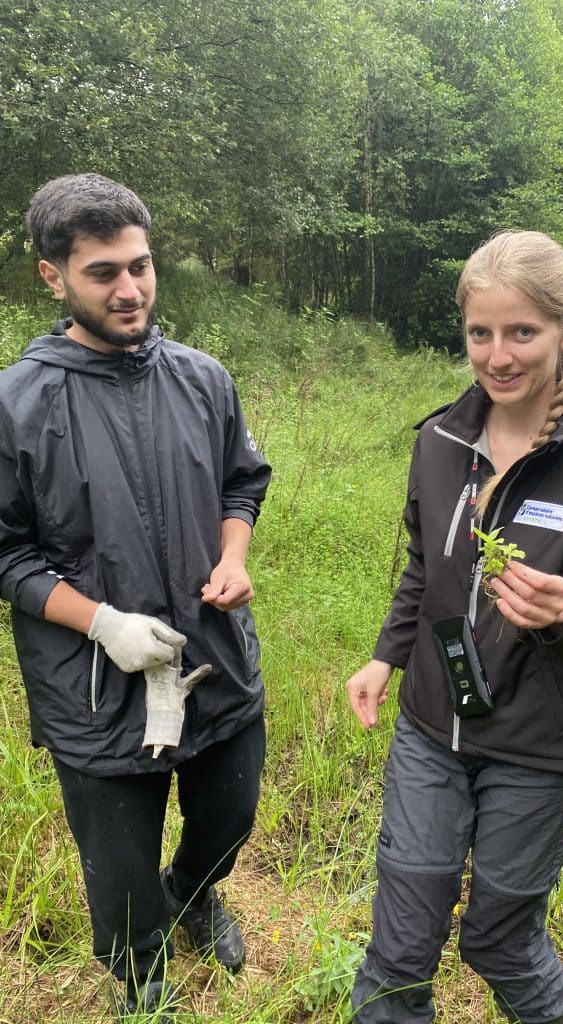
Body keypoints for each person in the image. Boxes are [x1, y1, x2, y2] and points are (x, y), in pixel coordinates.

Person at [346, 230, 563, 1024]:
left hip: (536, 743)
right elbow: (424, 567)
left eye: (521, 331)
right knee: (400, 943)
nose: (498, 355)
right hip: (431, 725)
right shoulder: (442, 439)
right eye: (480, 333)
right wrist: (387, 657)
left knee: (498, 941)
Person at [0, 174, 272, 1019]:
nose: (130, 289)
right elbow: (5, 552)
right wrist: (102, 622)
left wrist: (234, 554)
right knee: (118, 870)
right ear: (54, 277)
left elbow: (242, 482)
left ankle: (193, 894)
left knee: (230, 815)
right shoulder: (17, 403)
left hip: (215, 657)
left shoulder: (202, 378)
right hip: (93, 686)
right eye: (103, 273)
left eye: (141, 266)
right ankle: (141, 968)